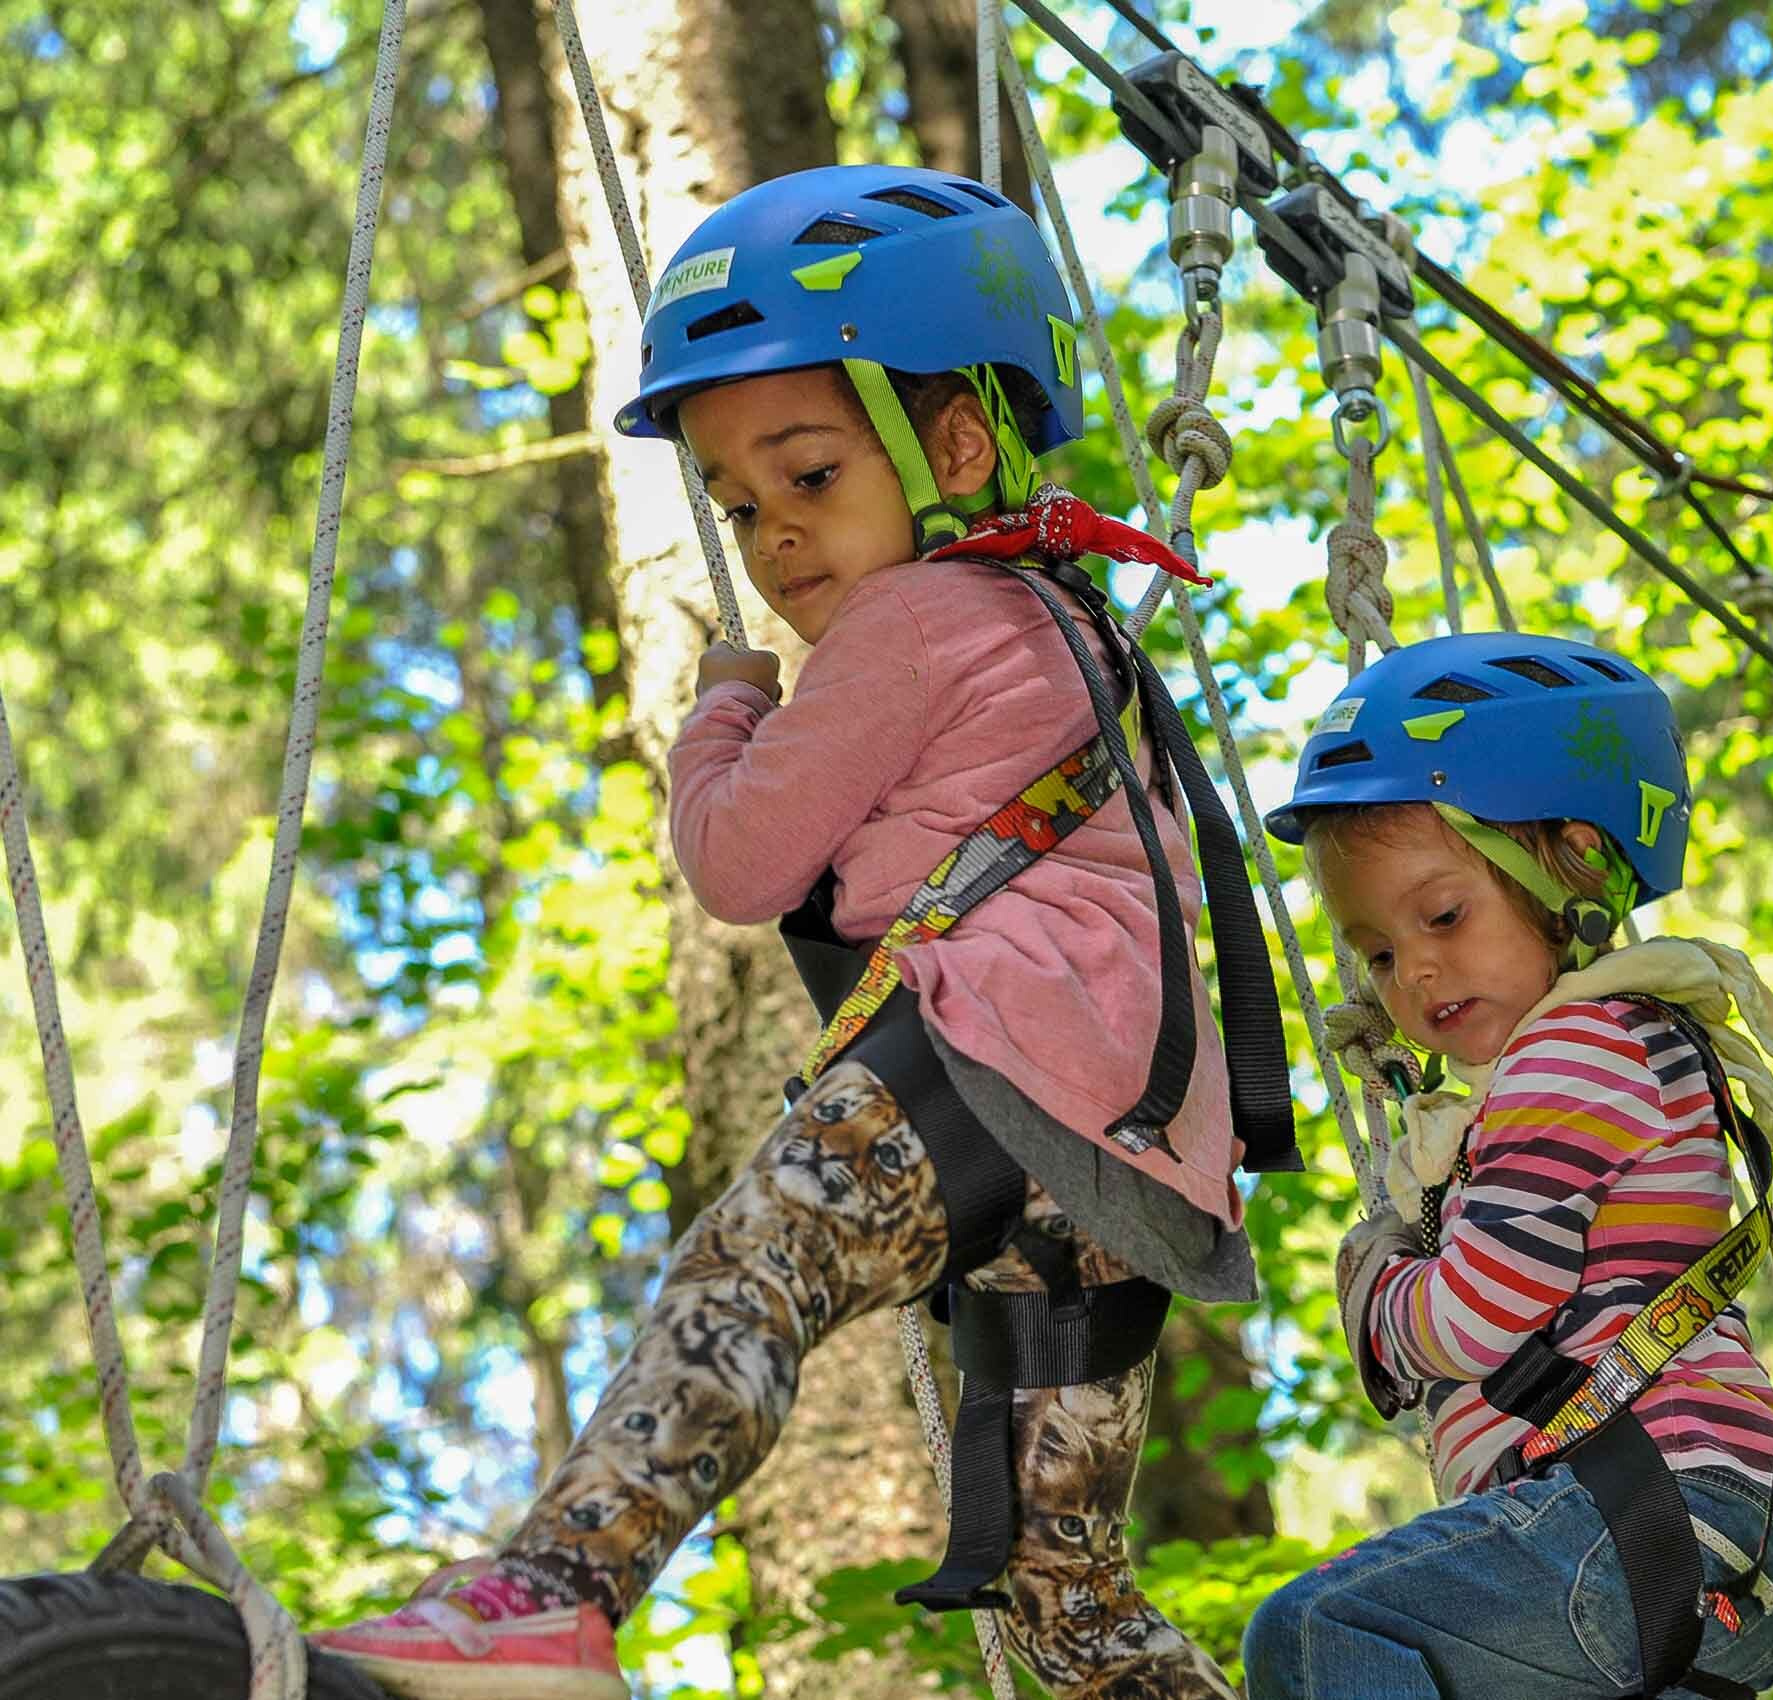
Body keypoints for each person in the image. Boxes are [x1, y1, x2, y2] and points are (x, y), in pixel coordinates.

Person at [316, 162, 1297, 1700]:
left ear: (953, 443)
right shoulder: (1067, 615)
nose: (775, 540)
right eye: (739, 505)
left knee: (749, 1270)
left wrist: (722, 710)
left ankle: (555, 1591)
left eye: (811, 477)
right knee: (1066, 1587)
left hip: (1001, 1059)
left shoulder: (915, 619)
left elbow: (739, 856)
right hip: (1137, 1156)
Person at [1244, 632, 1773, 1700]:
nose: (1413, 968)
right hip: (1698, 1551)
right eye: (1377, 951)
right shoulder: (1629, 1043)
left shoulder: (1569, 1049)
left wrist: (1371, 1280)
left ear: (1569, 862)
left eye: (1442, 914)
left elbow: (1475, 1318)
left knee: (1314, 1630)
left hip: (1635, 1517)